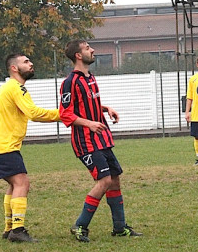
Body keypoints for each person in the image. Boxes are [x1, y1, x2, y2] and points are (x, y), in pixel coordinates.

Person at [60, 40, 141, 242]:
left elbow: (87, 102)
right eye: (87, 48)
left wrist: (106, 109)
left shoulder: (90, 78)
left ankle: (120, 228)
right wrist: (89, 124)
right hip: (85, 141)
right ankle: (80, 226)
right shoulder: (70, 82)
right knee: (104, 180)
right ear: (78, 55)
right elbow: (65, 114)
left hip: (101, 139)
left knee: (114, 180)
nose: (92, 50)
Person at [0, 54, 61, 243]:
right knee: (22, 182)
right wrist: (63, 115)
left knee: (15, 184)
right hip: (1, 145)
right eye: (25, 62)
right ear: (14, 68)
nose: (31, 63)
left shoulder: (8, 87)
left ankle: (9, 229)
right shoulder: (16, 88)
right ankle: (17, 229)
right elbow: (33, 113)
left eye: (30, 61)